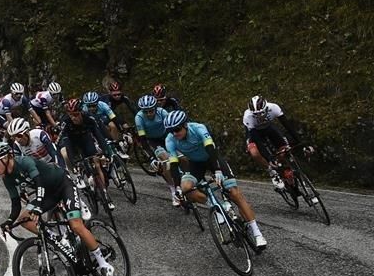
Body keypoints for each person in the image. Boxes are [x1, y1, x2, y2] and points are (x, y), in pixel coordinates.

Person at [0, 142, 114, 276]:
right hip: (48, 194)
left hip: (63, 184)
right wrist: (8, 221)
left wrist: (38, 208)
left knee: (76, 226)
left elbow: (39, 182)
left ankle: (104, 266)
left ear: (6, 158)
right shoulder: (6, 178)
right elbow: (15, 203)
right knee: (24, 219)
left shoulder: (25, 162)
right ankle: (58, 239)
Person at [164, 111, 267, 251]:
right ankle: (216, 206)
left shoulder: (198, 128)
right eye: (171, 131)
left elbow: (210, 149)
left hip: (213, 159)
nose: (174, 133)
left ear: (185, 125)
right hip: (195, 164)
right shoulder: (170, 140)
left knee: (234, 193)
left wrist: (217, 170)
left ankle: (257, 233)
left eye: (177, 129)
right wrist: (177, 188)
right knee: (185, 188)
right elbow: (174, 165)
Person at [242, 96, 314, 195]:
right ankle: (272, 172)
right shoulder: (248, 117)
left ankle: (285, 173)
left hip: (269, 128)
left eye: (260, 113)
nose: (258, 116)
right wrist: (269, 158)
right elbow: (258, 141)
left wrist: (302, 145)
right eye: (256, 114)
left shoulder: (274, 108)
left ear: (266, 108)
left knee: (285, 151)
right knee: (254, 153)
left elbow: (288, 127)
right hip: (254, 133)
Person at [133, 95, 180, 206]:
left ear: (155, 108)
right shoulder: (139, 118)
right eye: (146, 112)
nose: (149, 114)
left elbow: (172, 127)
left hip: (166, 136)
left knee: (179, 155)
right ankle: (173, 189)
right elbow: (143, 140)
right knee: (165, 160)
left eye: (151, 110)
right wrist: (151, 158)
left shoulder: (162, 112)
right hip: (153, 141)